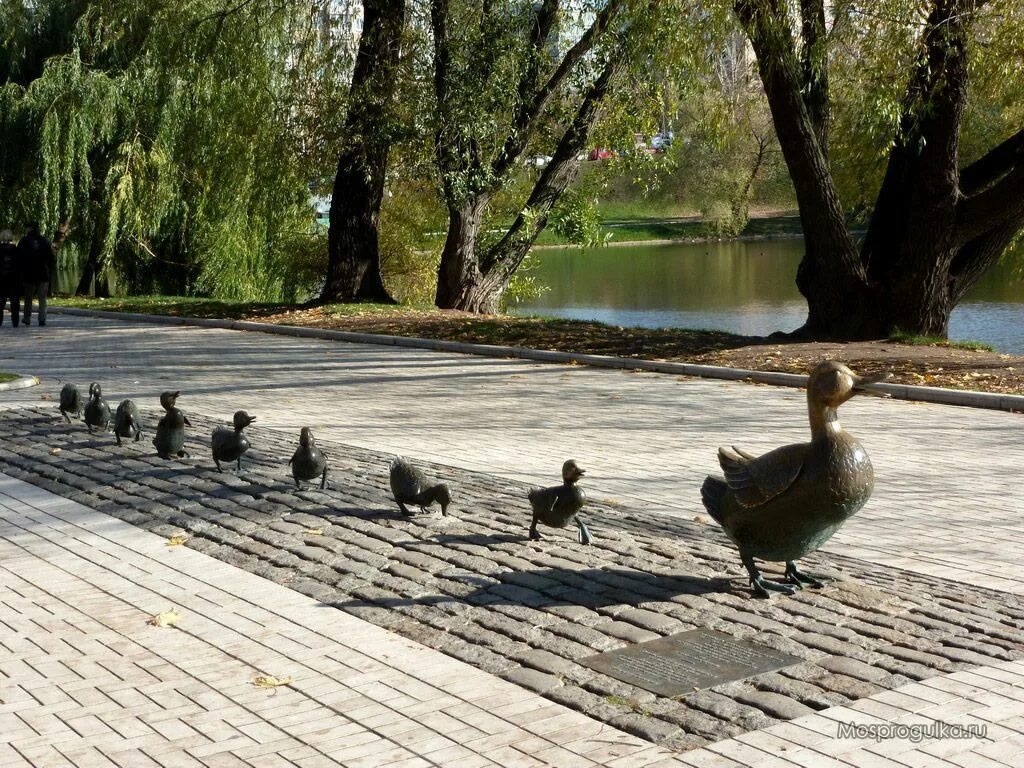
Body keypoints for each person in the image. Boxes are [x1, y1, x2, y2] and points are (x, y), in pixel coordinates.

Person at [17, 222, 52, 326]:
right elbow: (50, 258)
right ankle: (42, 319)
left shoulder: (24, 241)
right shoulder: (44, 241)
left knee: (28, 297)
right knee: (42, 297)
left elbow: (18, 257)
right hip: (43, 273)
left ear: (30, 228)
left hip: (29, 273)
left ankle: (27, 318)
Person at [0, 230, 20, 327]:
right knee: (14, 301)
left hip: (2, 278)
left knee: (0, 301)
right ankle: (15, 322)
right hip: (13, 278)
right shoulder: (15, 249)